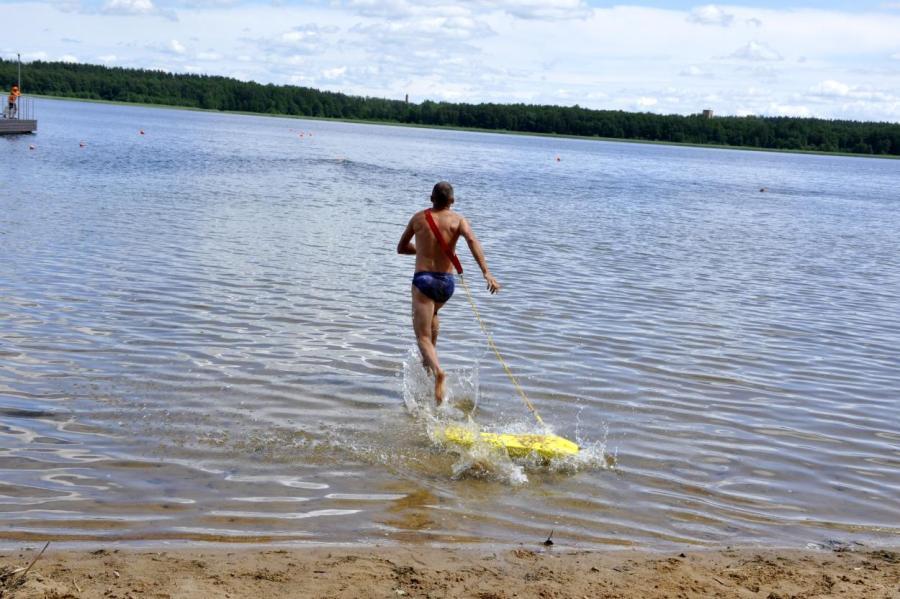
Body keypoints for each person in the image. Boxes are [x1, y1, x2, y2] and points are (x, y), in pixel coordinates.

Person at [397, 181, 500, 404]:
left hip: (424, 282)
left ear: (431, 198)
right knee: (433, 317)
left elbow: (401, 248)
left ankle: (439, 373)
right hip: (447, 284)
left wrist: (421, 250)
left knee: (422, 337)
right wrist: (486, 273)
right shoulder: (458, 220)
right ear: (452, 201)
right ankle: (429, 377)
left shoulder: (418, 218)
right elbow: (472, 240)